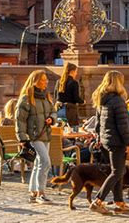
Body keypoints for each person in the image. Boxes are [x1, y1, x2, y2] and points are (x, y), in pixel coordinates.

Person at [90, 69, 129, 216]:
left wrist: (98, 138)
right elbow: (123, 125)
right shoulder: (117, 100)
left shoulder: (101, 98)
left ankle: (119, 202)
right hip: (117, 141)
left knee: (118, 171)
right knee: (118, 172)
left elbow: (98, 123)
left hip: (106, 140)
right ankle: (98, 201)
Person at [15, 69, 56, 204]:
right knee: (45, 162)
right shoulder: (26, 98)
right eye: (43, 80)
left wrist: (51, 118)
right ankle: (41, 193)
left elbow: (53, 111)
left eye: (46, 80)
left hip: (45, 133)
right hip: (34, 135)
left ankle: (33, 192)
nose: (46, 82)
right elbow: (19, 120)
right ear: (35, 81)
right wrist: (22, 138)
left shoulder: (46, 96)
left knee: (39, 162)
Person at [56, 62, 83, 126]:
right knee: (72, 130)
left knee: (62, 128)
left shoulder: (59, 82)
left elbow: (56, 96)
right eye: (76, 71)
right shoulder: (74, 82)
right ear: (72, 71)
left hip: (60, 108)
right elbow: (76, 98)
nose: (76, 73)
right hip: (71, 109)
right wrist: (83, 101)